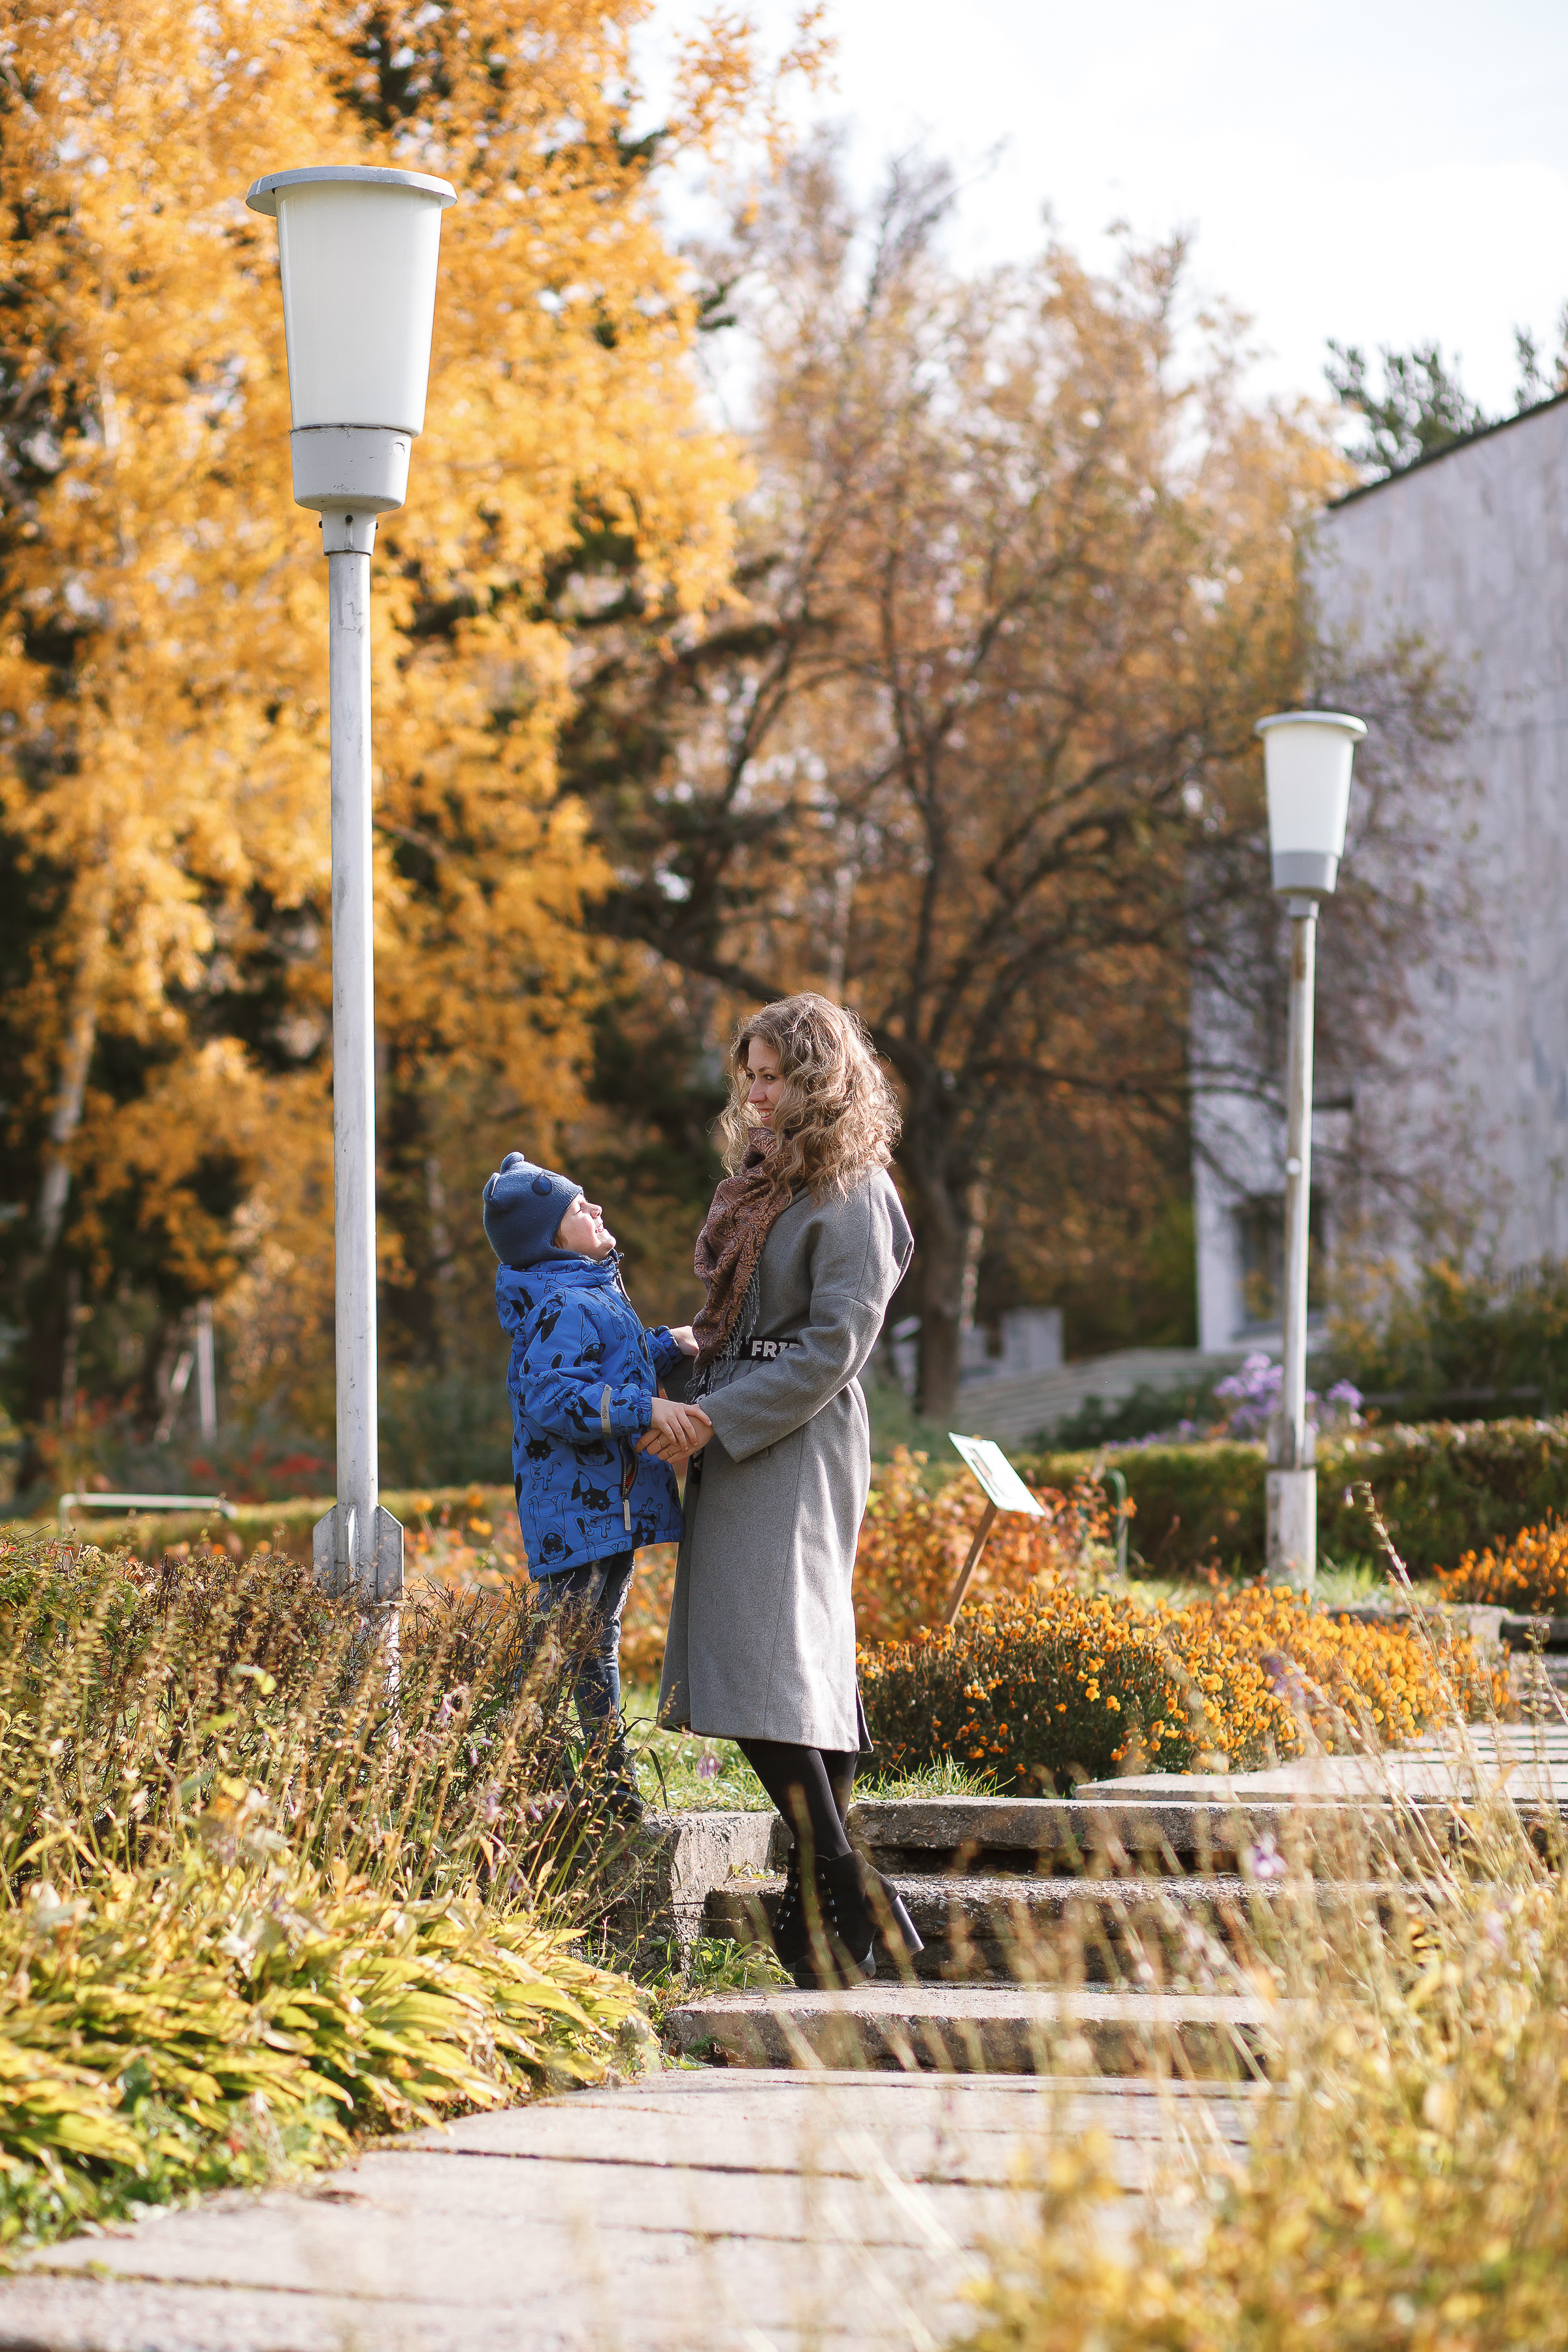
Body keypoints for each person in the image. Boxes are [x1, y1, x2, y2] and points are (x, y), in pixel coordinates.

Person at [651, 994, 923, 1983]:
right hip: (739, 1436)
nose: (757, 1095)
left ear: (819, 1079)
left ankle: (854, 1896)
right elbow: (736, 1322)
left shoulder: (854, 1191)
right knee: (789, 1678)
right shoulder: (764, 1184)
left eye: (775, 1076)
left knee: (768, 1669)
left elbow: (833, 1349)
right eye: (750, 1076)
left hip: (794, 1446)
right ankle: (822, 1932)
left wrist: (717, 1416)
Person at [484, 1151, 710, 1817]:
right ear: (549, 1237)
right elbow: (553, 1396)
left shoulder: (586, 1292)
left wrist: (666, 1345)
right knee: (561, 1649)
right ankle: (519, 1771)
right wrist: (648, 1409)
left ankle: (607, 1786)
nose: (597, 1210)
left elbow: (612, 1364)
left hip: (603, 1512)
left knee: (592, 1645)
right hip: (577, 1515)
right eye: (579, 1208)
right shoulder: (561, 1304)